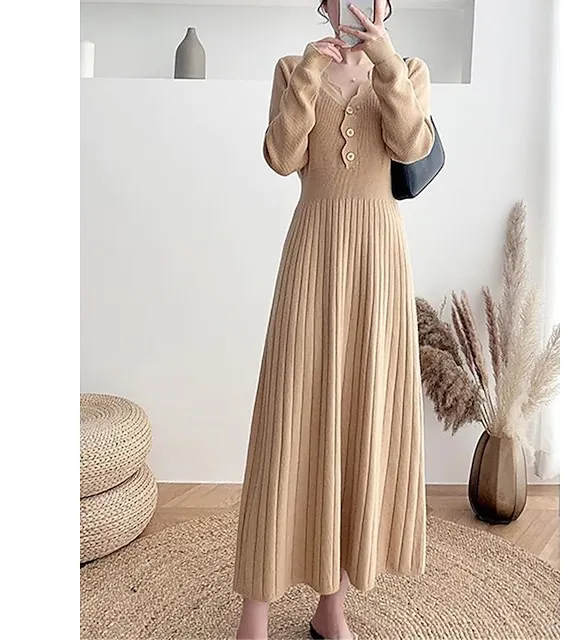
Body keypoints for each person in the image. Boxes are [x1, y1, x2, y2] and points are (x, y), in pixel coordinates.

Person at [233, 1, 434, 638]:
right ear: (324, 5)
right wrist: (307, 79)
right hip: (314, 253)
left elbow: (412, 144)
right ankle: (255, 613)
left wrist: (386, 65)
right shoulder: (292, 67)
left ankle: (332, 608)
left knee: (360, 420)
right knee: (289, 419)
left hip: (379, 261)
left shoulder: (409, 69)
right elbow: (281, 156)